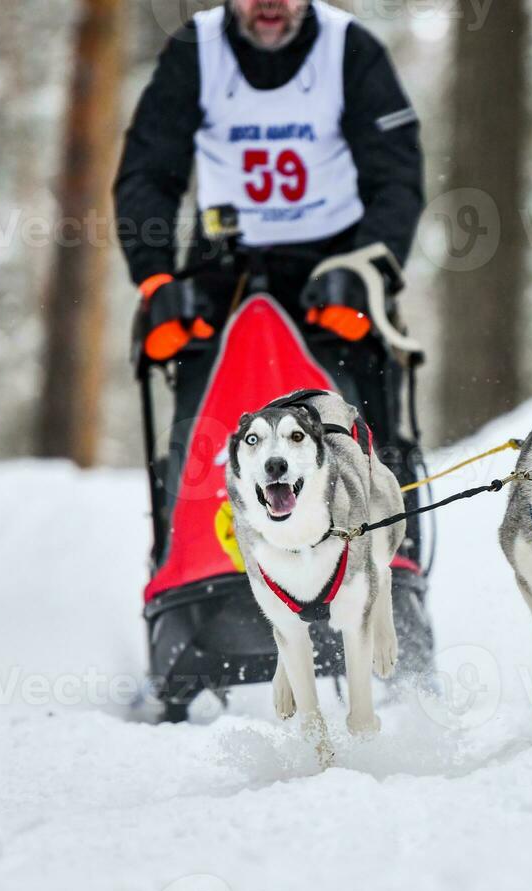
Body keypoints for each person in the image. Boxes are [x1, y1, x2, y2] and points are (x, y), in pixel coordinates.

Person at [114, 0, 433, 677]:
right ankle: (191, 577)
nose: (268, 5)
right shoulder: (194, 52)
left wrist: (370, 267)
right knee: (203, 427)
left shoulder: (350, 51)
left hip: (334, 268)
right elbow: (148, 170)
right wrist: (155, 282)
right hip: (225, 268)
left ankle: (385, 585)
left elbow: (396, 175)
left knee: (360, 428)